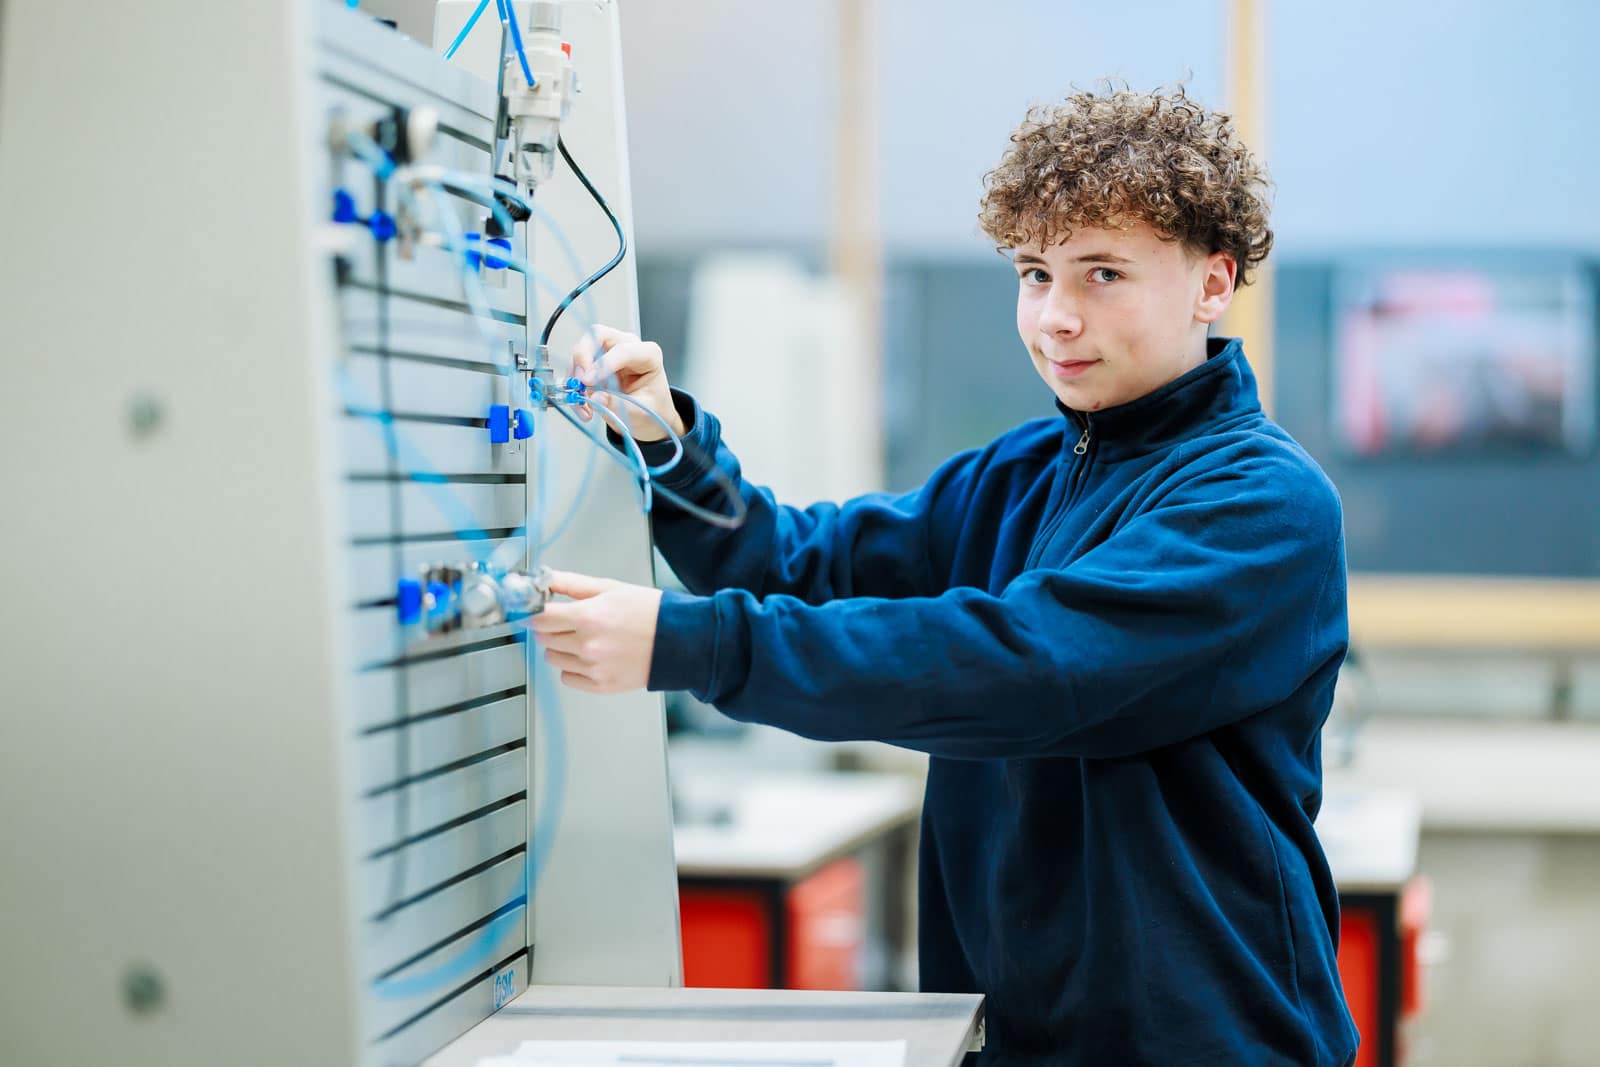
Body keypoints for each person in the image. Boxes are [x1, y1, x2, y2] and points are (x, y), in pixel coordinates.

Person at [530, 85, 1360, 1065]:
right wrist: (666, 445)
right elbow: (796, 565)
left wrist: (691, 642)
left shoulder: (1264, 503)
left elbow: (1025, 667)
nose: (1056, 317)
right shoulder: (1016, 475)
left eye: (1102, 273)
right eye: (1034, 273)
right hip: (1011, 1038)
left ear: (1211, 284)